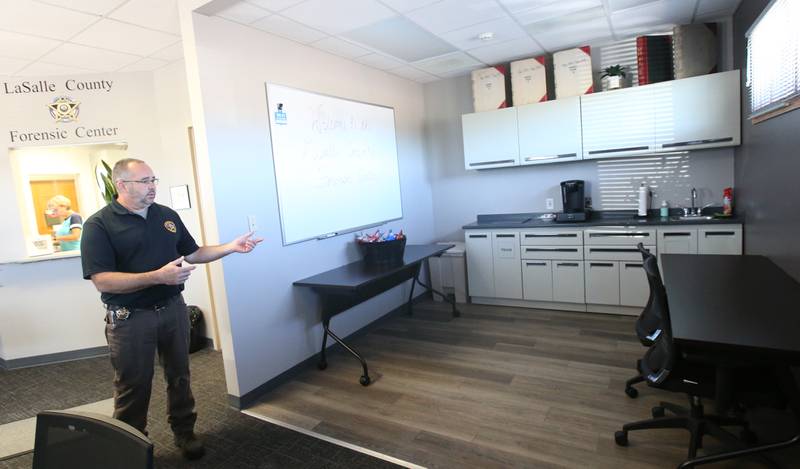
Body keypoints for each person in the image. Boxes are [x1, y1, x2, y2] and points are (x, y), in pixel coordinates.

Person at [80, 158, 262, 460]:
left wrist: (230, 247)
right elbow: (103, 281)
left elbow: (194, 253)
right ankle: (131, 449)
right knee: (133, 386)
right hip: (129, 319)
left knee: (180, 376)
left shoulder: (166, 216)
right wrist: (157, 277)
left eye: (154, 180)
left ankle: (184, 432)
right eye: (145, 181)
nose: (153, 186)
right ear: (122, 185)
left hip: (172, 310)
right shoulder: (99, 225)